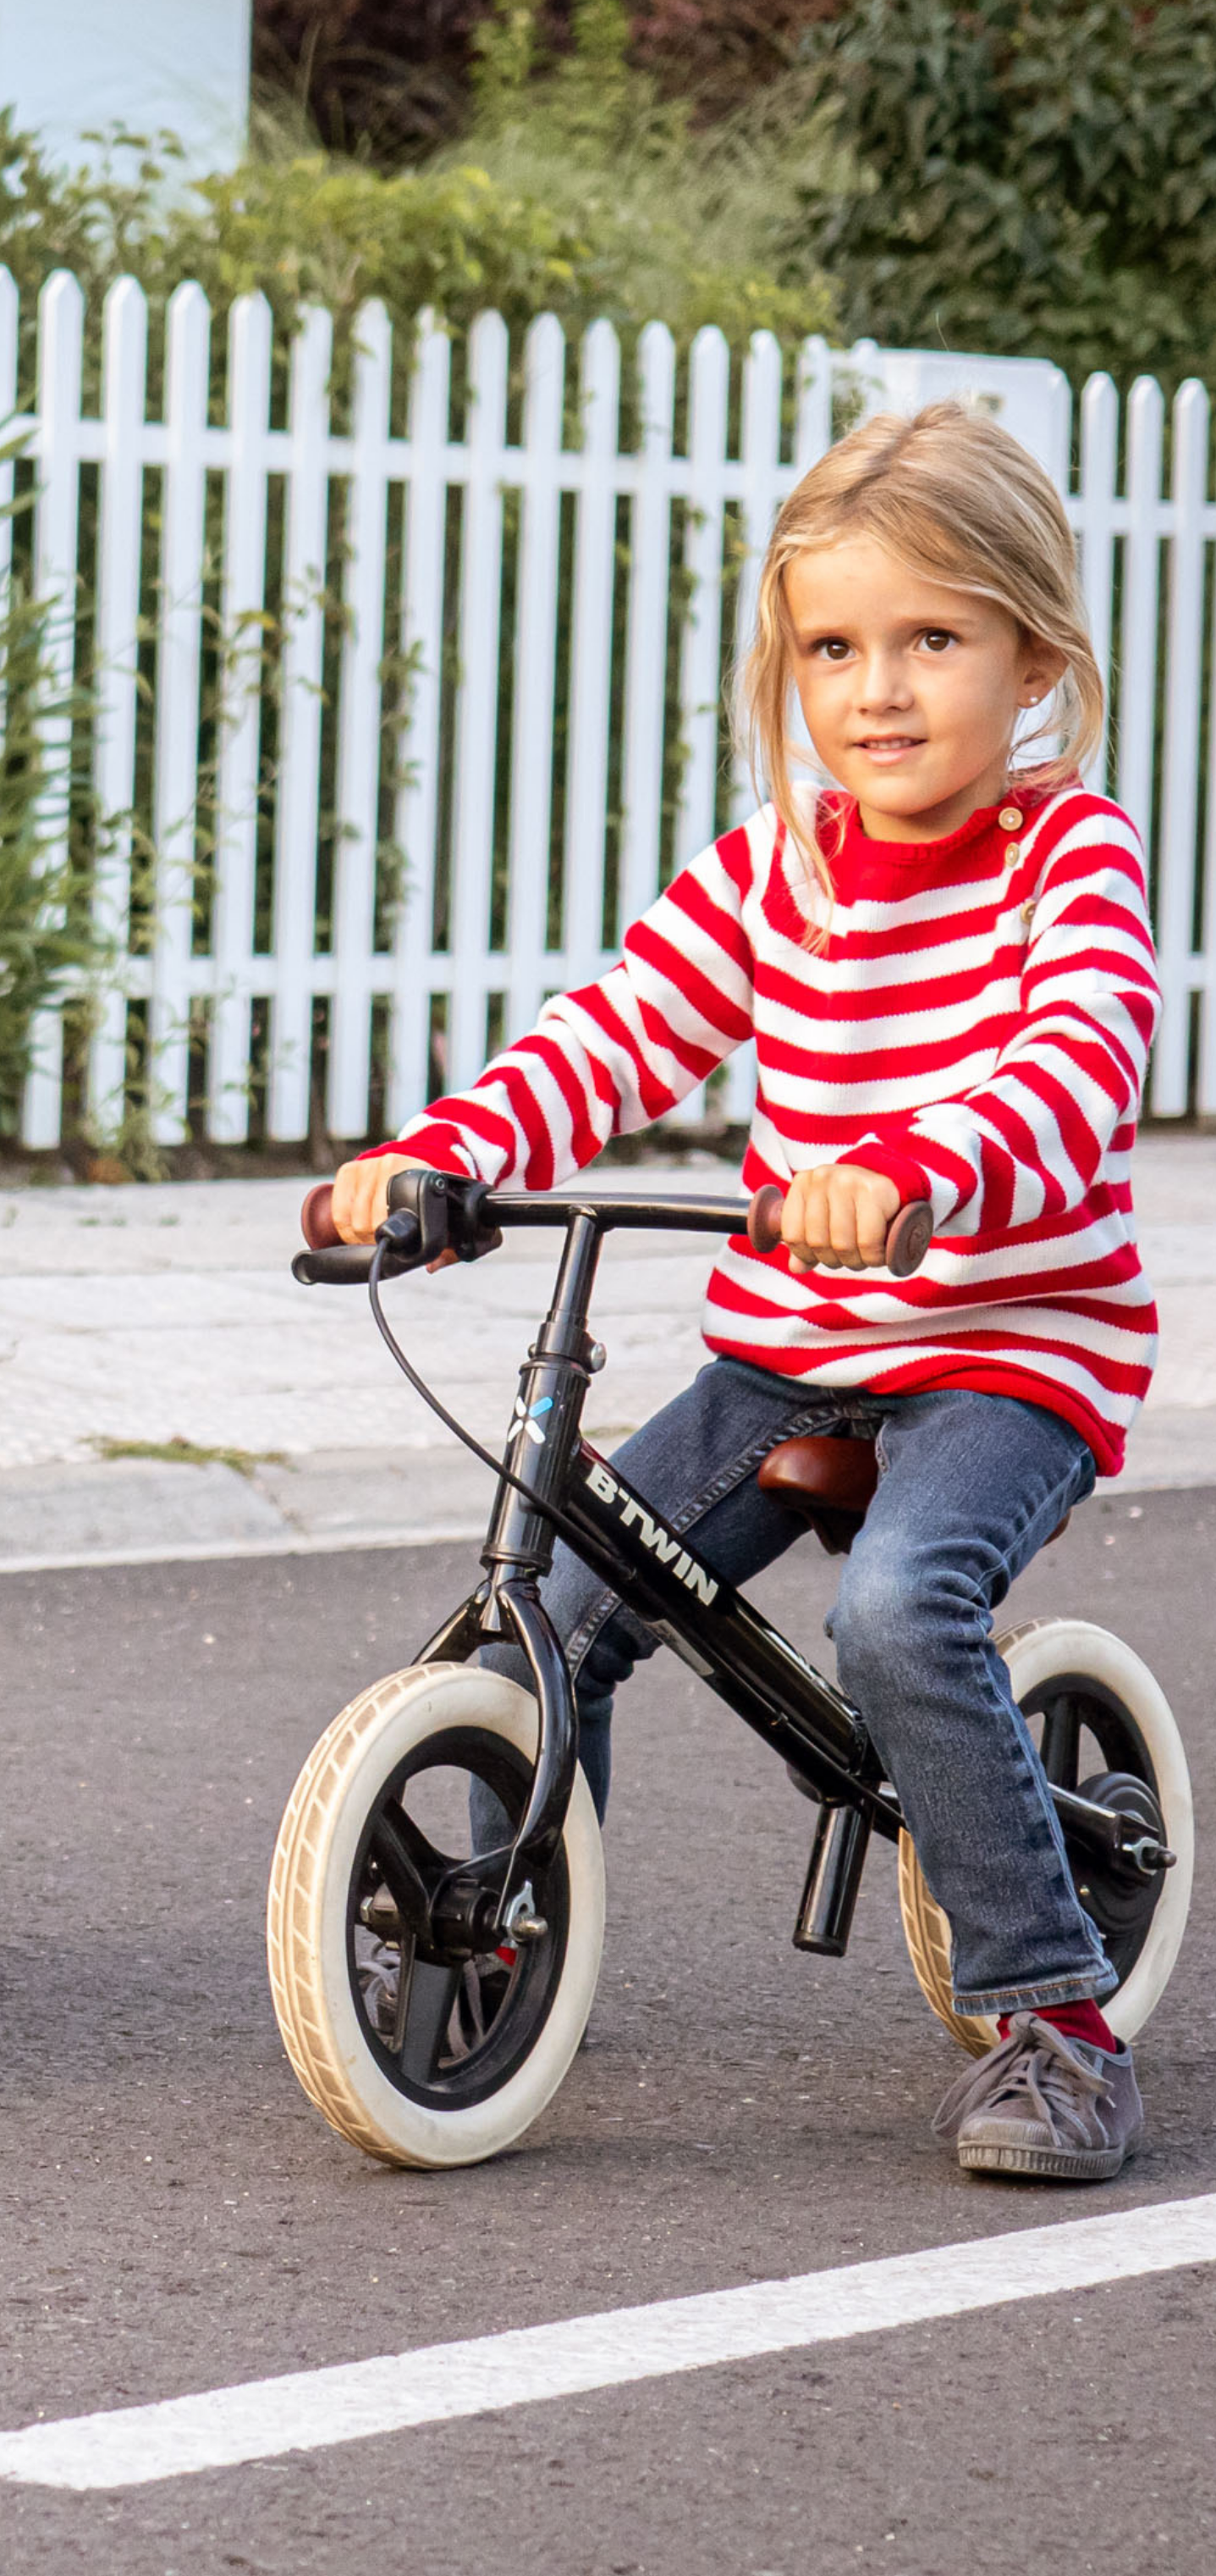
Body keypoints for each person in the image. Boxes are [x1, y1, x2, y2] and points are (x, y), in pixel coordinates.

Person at [332, 400, 1158, 2183]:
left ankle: (1052, 2015)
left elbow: (1074, 1063)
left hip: (1006, 1348)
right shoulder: (775, 864)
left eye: (929, 639)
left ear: (1031, 653)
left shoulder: (1063, 861)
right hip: (794, 1346)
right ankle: (512, 1929)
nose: (874, 688)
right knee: (542, 1600)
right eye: (831, 646)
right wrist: (439, 1160)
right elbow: (620, 1024)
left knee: (895, 1618)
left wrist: (921, 1173)